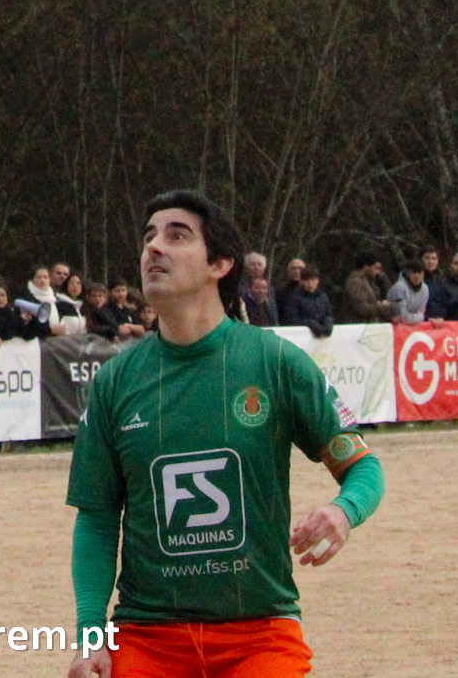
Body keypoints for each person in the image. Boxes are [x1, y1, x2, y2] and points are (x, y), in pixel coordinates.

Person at [66, 191, 382, 678]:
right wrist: (91, 637)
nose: (154, 247)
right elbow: (98, 519)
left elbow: (363, 466)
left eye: (176, 235)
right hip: (147, 638)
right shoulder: (115, 382)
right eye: (149, 236)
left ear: (220, 263)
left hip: (260, 635)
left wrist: (344, 511)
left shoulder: (275, 362)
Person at [282, 264, 335, 338]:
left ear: (317, 280)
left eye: (313, 280)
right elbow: (292, 319)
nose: (310, 283)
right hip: (302, 337)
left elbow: (328, 314)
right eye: (307, 280)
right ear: (301, 281)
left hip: (322, 336)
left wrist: (328, 322)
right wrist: (310, 323)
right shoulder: (295, 298)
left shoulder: (323, 297)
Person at [341, 252, 392, 324]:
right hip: (360, 328)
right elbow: (362, 309)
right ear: (366, 266)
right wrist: (381, 306)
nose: (378, 272)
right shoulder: (355, 282)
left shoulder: (371, 282)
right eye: (376, 268)